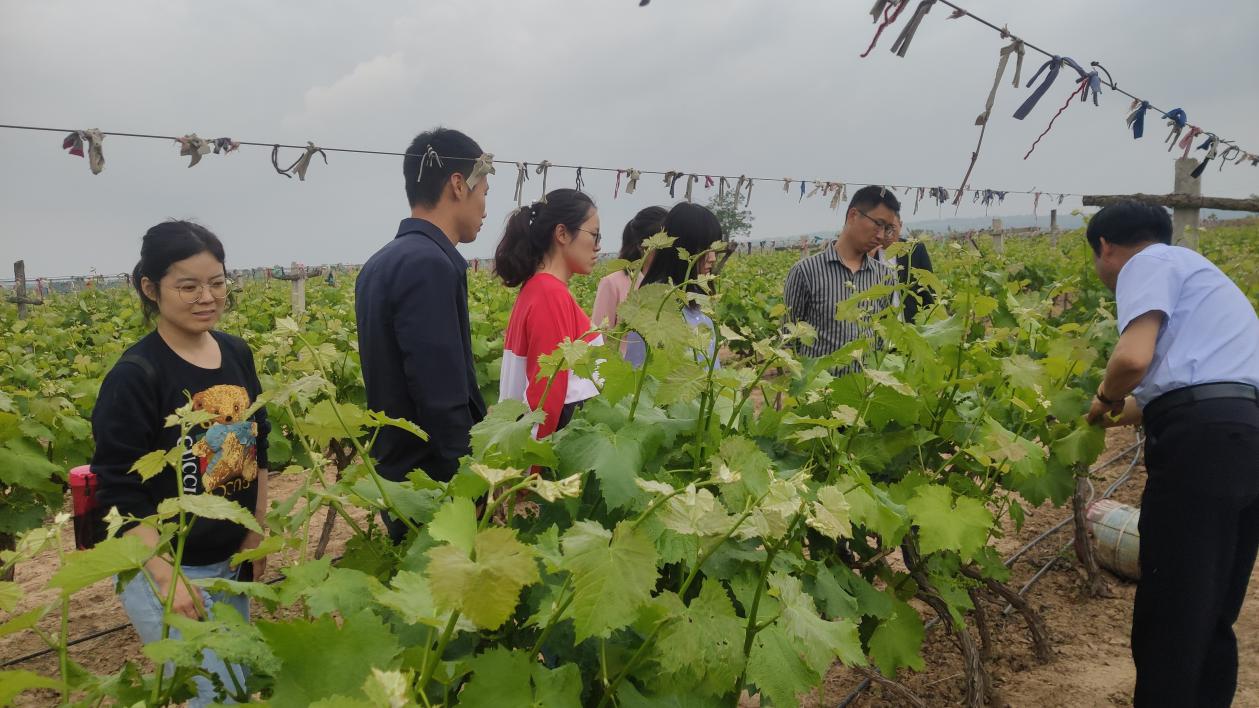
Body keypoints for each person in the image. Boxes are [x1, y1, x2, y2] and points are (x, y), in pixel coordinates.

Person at [1083, 202, 1259, 707]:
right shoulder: (1201, 274)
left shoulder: (1146, 263)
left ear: (1106, 247)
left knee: (1171, 611)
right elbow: (1176, 390)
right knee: (1212, 608)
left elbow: (1131, 359)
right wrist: (1101, 416)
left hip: (1199, 446)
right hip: (1243, 435)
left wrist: (1105, 395)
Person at [91, 221, 269, 708]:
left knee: (237, 686)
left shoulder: (236, 353)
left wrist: (256, 529)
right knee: (214, 696)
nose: (207, 297)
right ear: (151, 288)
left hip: (231, 560)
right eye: (188, 286)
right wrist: (166, 576)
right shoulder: (135, 375)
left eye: (217, 282)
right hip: (166, 567)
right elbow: (117, 490)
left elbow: (259, 442)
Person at [355, 127, 490, 540]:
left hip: (400, 477)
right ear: (458, 185)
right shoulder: (429, 264)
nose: (485, 207)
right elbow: (441, 393)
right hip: (434, 486)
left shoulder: (379, 263)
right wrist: (469, 482)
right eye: (484, 191)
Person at [496, 189, 603, 438]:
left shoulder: (539, 288)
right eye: (594, 235)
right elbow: (545, 397)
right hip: (553, 449)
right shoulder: (550, 293)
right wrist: (535, 459)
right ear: (562, 233)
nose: (598, 246)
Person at [784, 185, 899, 359]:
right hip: (818, 377)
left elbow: (881, 338)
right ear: (853, 215)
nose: (881, 236)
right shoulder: (806, 272)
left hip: (866, 377)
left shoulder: (884, 277)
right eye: (878, 224)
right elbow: (789, 341)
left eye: (888, 229)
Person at [625, 202, 724, 368]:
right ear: (685, 248)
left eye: (715, 249)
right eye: (705, 249)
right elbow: (639, 368)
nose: (713, 258)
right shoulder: (655, 304)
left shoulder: (698, 296)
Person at [591, 205, 667, 328]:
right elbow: (599, 335)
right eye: (662, 245)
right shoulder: (613, 283)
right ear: (642, 245)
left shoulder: (672, 283)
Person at [873, 214, 936, 321]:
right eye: (883, 227)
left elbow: (928, 290)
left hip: (911, 323)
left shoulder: (915, 250)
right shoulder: (867, 254)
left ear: (900, 225)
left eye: (891, 227)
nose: (887, 233)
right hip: (879, 325)